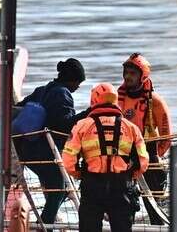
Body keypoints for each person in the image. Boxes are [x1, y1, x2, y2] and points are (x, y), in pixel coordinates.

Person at [62, 83, 149, 232]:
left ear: (94, 100)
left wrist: (81, 174)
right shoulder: (131, 127)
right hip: (121, 185)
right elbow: (142, 161)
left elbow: (69, 160)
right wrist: (129, 177)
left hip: (92, 185)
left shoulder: (82, 126)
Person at [12, 57, 87, 224]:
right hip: (44, 151)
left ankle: (47, 221)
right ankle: (45, 225)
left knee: (56, 187)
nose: (78, 86)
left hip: (26, 150)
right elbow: (63, 125)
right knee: (60, 188)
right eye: (78, 82)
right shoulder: (63, 94)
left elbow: (19, 106)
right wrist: (87, 114)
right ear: (72, 80)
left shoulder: (42, 90)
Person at [118, 51, 171, 220]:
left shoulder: (155, 101)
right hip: (124, 155)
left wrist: (154, 159)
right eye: (126, 73)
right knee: (125, 206)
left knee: (153, 207)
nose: (128, 77)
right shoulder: (118, 98)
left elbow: (166, 136)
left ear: (143, 75)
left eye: (132, 73)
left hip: (148, 155)